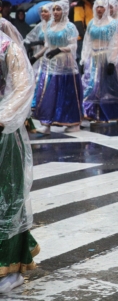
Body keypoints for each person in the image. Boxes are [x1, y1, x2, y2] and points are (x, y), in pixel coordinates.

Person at [0, 27, 37, 294]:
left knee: (7, 200)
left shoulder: (7, 49)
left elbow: (23, 87)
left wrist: (3, 117)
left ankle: (9, 269)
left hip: (4, 134)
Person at [30, 0, 83, 134]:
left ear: (64, 11)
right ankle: (47, 124)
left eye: (58, 9)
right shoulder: (49, 26)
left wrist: (59, 49)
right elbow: (47, 45)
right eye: (54, 9)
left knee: (67, 95)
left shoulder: (70, 27)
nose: (55, 12)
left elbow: (73, 46)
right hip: (51, 65)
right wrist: (35, 57)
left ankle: (73, 122)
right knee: (50, 94)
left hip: (67, 66)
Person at [80, 0, 118, 123]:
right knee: (93, 86)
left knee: (113, 87)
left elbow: (117, 43)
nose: (99, 10)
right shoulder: (91, 23)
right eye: (97, 7)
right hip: (94, 59)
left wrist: (112, 61)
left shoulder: (113, 24)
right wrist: (84, 59)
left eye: (102, 7)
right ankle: (94, 113)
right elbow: (87, 42)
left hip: (107, 59)